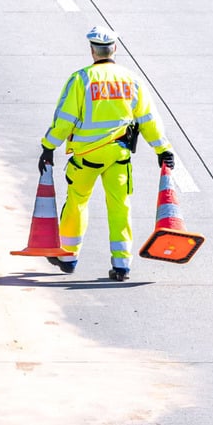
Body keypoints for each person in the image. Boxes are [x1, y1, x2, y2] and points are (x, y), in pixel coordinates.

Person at [38, 26, 174, 281]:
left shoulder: (81, 79)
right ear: (115, 49)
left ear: (92, 51)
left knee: (77, 203)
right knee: (120, 207)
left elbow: (65, 120)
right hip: (118, 157)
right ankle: (121, 265)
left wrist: (49, 146)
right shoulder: (131, 80)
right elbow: (148, 119)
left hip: (86, 157)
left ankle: (68, 258)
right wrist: (162, 149)